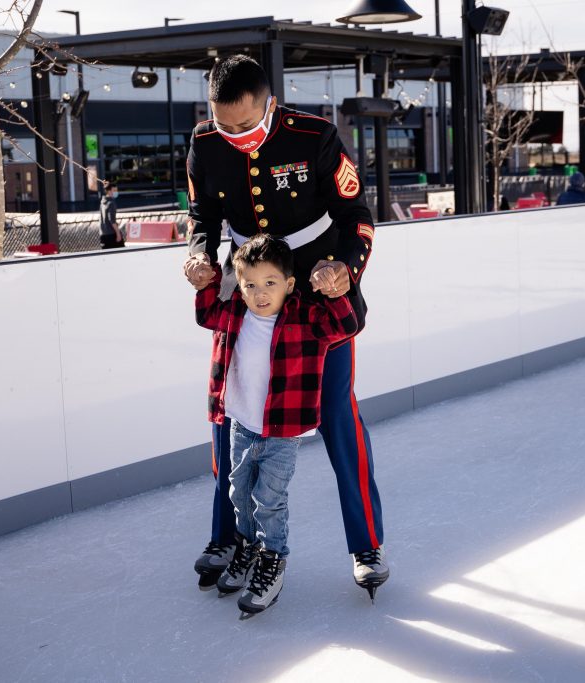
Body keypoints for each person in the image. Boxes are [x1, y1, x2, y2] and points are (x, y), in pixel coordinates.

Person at [183, 54, 389, 601]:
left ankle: (366, 544)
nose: (234, 137)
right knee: (231, 414)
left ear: (269, 104)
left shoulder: (315, 135)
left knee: (337, 419)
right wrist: (200, 254)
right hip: (246, 291)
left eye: (245, 126)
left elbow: (357, 217)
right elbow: (202, 213)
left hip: (316, 291)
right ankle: (227, 537)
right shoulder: (204, 145)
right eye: (223, 125)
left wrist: (345, 271)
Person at [193, 234, 358, 615]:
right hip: (241, 425)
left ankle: (273, 558)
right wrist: (206, 281)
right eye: (250, 284)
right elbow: (205, 314)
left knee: (269, 500)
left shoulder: (306, 317)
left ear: (289, 284)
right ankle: (249, 545)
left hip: (282, 433)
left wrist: (334, 291)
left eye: (270, 283)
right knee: (238, 493)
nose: (260, 293)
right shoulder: (234, 311)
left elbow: (345, 325)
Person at [99, 181, 125, 249]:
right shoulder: (111, 203)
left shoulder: (102, 201)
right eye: (114, 190)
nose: (116, 192)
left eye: (117, 190)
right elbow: (112, 220)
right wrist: (118, 234)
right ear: (109, 191)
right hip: (112, 234)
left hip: (103, 234)